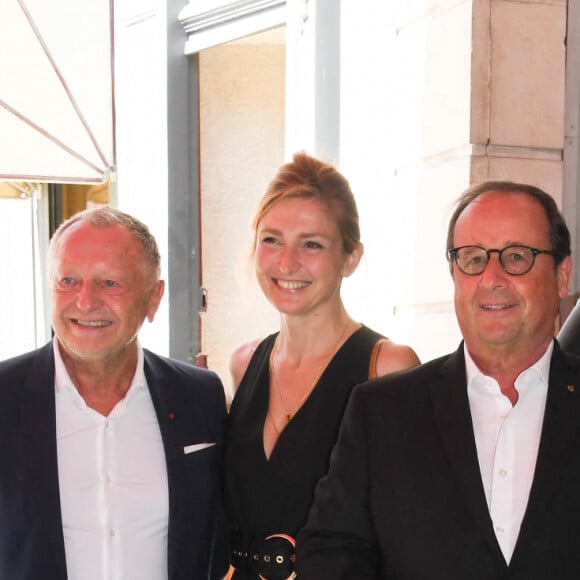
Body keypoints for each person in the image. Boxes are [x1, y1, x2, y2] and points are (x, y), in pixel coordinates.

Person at [296, 181, 580, 579]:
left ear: (562, 275)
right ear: (454, 274)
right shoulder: (381, 413)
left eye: (517, 256)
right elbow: (331, 550)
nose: (492, 277)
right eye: (473, 258)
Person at [0, 207, 228, 580]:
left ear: (154, 298)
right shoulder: (4, 398)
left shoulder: (199, 397)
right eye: (68, 280)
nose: (86, 301)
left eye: (110, 283)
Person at [223, 152, 420, 579]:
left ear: (351, 257)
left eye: (311, 244)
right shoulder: (243, 363)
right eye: (272, 239)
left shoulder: (386, 366)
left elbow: (409, 534)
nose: (287, 262)